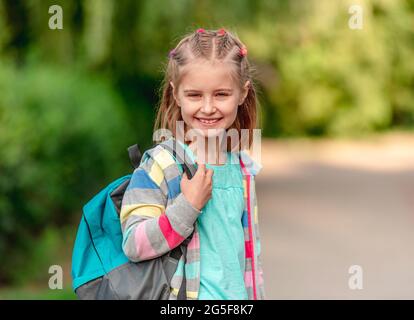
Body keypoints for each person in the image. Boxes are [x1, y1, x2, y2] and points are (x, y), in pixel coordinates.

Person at [120, 28, 265, 300]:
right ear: (176, 95)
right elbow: (134, 243)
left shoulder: (244, 169)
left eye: (221, 94)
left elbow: (249, 259)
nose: (208, 107)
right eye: (195, 95)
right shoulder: (161, 165)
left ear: (242, 94)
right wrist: (188, 207)